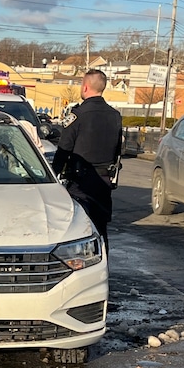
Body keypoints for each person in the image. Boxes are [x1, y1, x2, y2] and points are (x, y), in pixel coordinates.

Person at [51, 68, 123, 249]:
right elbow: (117, 150)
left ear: (85, 87)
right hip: (104, 181)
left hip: (80, 182)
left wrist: (53, 175)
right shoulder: (115, 116)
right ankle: (103, 265)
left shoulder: (78, 115)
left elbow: (64, 149)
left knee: (78, 230)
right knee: (100, 229)